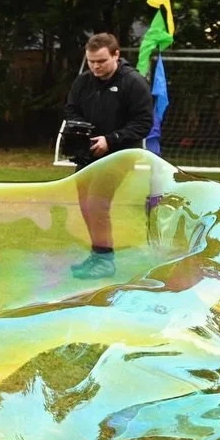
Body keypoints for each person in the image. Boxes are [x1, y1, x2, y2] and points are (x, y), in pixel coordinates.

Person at [62, 33, 153, 279]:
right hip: (87, 153)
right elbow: (71, 109)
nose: (95, 67)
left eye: (101, 61)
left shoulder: (133, 83)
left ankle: (105, 260)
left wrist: (110, 139)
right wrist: (82, 130)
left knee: (96, 202)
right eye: (91, 61)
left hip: (120, 154)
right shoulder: (83, 82)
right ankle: (97, 254)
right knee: (84, 203)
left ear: (116, 55)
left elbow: (144, 123)